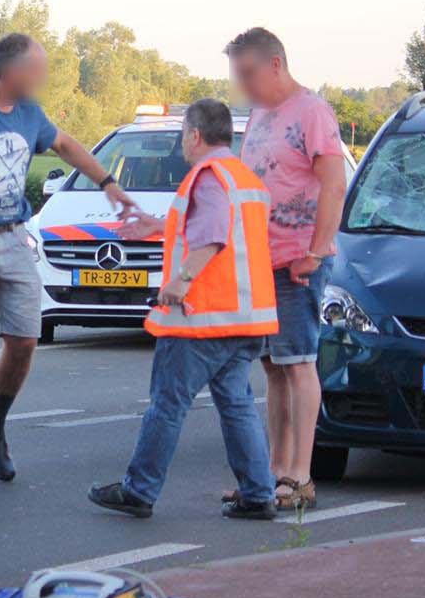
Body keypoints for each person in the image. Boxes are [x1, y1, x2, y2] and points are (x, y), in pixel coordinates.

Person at [0, 33, 137, 493]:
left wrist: (107, 181)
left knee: (25, 341)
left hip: (13, 237)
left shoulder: (29, 112)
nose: (44, 78)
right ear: (12, 71)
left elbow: (64, 145)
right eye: (38, 70)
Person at [87, 100, 279, 520]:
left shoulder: (208, 177)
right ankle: (259, 493)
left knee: (168, 403)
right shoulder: (243, 177)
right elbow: (223, 230)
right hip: (244, 320)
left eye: (182, 137)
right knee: (237, 403)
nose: (182, 145)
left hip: (201, 317)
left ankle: (140, 490)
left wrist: (181, 280)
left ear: (195, 135)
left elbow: (212, 237)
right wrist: (159, 227)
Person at [225, 28, 347, 510]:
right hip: (261, 258)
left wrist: (315, 252)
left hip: (299, 259)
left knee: (298, 363)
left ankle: (300, 476)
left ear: (275, 64)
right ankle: (270, 472)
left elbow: (333, 185)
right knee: (273, 367)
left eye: (249, 73)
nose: (243, 84)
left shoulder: (312, 111)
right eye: (238, 75)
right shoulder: (258, 114)